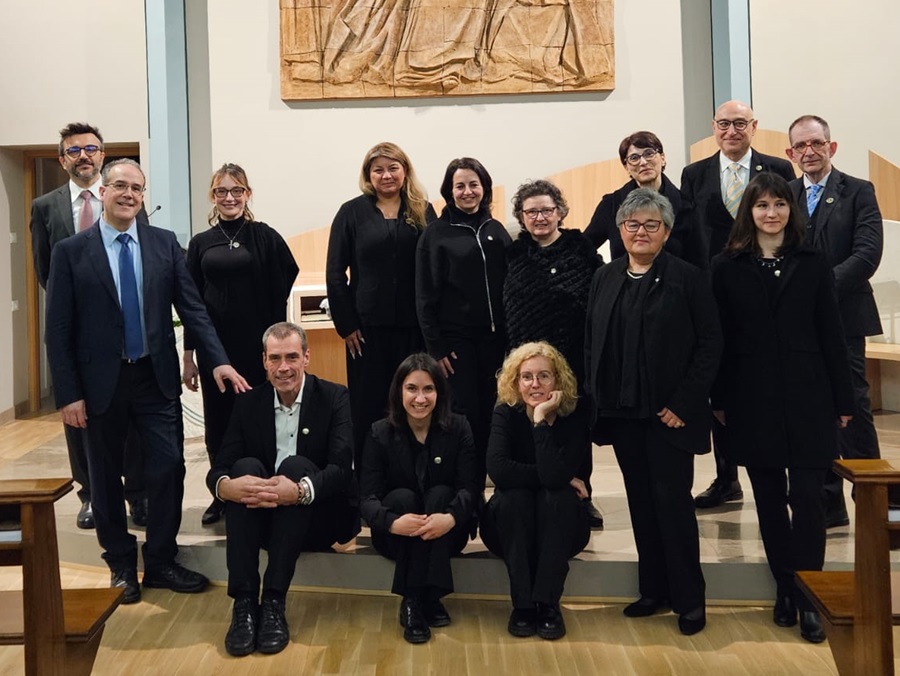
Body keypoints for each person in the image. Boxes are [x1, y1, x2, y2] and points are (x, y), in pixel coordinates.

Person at [45, 159, 249, 605]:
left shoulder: (163, 244)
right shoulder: (71, 252)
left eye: (137, 188)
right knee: (103, 476)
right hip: (100, 384)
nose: (129, 194)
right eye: (120, 185)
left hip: (155, 380)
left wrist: (218, 361)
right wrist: (68, 395)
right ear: (103, 191)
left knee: (168, 468)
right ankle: (120, 563)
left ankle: (160, 560)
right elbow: (57, 331)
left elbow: (193, 308)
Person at [710, 172, 854, 643]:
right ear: (747, 213)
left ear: (791, 212)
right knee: (769, 501)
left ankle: (810, 596)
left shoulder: (813, 261)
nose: (771, 213)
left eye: (779, 205)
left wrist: (843, 398)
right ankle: (785, 590)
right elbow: (720, 342)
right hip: (752, 400)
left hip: (809, 395)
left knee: (810, 501)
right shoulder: (726, 266)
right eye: (761, 206)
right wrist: (719, 399)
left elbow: (832, 333)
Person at [584, 188, 721, 636]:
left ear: (666, 231)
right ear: (619, 231)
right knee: (641, 505)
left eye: (651, 225)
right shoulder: (604, 278)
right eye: (631, 225)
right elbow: (592, 343)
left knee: (673, 507)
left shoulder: (688, 277)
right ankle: (653, 590)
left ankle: (689, 600)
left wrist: (683, 403)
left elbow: (710, 346)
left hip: (669, 415)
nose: (640, 232)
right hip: (623, 415)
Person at [208, 322, 359, 656]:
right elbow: (220, 467)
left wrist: (300, 491)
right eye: (275, 358)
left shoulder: (334, 397)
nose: (284, 367)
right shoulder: (248, 403)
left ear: (307, 357)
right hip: (264, 519)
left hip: (318, 518)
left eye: (292, 356)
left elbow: (341, 470)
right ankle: (246, 604)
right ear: (264, 361)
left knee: (295, 466)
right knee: (243, 470)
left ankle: (274, 601)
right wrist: (225, 488)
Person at [30, 122, 147, 529]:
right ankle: (91, 494)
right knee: (79, 414)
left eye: (91, 149)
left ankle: (137, 493)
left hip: (127, 330)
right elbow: (46, 271)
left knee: (132, 415)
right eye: (74, 150)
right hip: (79, 334)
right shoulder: (45, 207)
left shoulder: (124, 195)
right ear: (63, 159)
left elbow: (141, 254)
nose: (84, 156)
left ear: (102, 155)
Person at [680, 100, 796, 510]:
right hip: (714, 293)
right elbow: (690, 237)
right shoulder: (694, 174)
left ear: (754, 126)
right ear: (713, 127)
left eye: (740, 124)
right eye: (724, 124)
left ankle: (778, 468)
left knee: (769, 382)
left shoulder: (777, 170)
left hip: (768, 292)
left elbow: (788, 222)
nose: (732, 130)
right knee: (721, 384)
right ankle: (726, 477)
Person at [184, 163, 298, 526]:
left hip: (257, 347)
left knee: (260, 416)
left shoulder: (263, 236)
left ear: (248, 194)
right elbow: (191, 301)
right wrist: (189, 356)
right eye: (221, 191)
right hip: (214, 348)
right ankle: (222, 492)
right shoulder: (201, 242)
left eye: (237, 191)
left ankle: (265, 487)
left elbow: (287, 272)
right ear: (213, 197)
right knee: (219, 419)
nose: (229, 198)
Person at [786, 115, 884, 529]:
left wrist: (819, 291)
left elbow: (867, 253)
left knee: (853, 408)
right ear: (790, 154)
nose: (809, 152)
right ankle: (827, 506)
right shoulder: (783, 194)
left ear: (832, 146)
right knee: (809, 410)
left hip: (843, 316)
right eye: (801, 147)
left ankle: (875, 505)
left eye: (816, 144)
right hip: (796, 324)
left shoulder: (859, 191)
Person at [326, 142, 435, 469]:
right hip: (365, 332)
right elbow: (335, 273)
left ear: (405, 171)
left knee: (413, 404)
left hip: (415, 329)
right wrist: (346, 326)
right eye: (378, 169)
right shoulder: (351, 212)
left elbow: (434, 267)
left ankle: (413, 476)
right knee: (368, 406)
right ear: (368, 175)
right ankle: (368, 484)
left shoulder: (423, 210)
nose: (386, 175)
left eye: (393, 168)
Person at [503, 179, 603, 528]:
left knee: (575, 429)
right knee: (533, 429)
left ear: (560, 211)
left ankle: (582, 495)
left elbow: (594, 305)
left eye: (547, 210)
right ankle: (541, 488)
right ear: (521, 217)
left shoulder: (581, 251)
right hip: (527, 363)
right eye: (531, 212)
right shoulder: (514, 255)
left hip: (573, 359)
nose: (540, 217)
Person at [360, 353, 478, 644]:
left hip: (447, 533)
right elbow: (367, 498)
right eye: (412, 388)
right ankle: (423, 598)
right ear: (399, 391)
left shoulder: (459, 428)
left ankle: (415, 600)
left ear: (440, 392)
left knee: (439, 494)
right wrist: (392, 522)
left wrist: (449, 518)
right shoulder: (379, 432)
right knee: (401, 498)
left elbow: (470, 489)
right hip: (396, 536)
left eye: (429, 389)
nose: (420, 398)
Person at [482, 342, 591, 640]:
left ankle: (548, 604)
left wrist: (541, 419)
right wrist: (553, 477)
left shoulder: (574, 415)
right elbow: (499, 470)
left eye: (544, 376)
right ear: (515, 382)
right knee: (514, 498)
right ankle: (523, 606)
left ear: (558, 380)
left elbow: (555, 479)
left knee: (558, 497)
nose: (535, 384)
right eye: (526, 376)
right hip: (510, 528)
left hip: (561, 528)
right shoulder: (506, 412)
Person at [416, 157, 511, 486]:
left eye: (474, 184)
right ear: (449, 191)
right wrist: (436, 347)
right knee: (463, 414)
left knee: (493, 413)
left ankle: (492, 480)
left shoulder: (496, 231)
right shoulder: (436, 235)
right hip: (455, 345)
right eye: (460, 186)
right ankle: (463, 486)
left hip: (496, 343)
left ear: (484, 188)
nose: (468, 191)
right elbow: (425, 296)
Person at [584, 131, 692, 260]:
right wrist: (605, 274)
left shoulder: (687, 205)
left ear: (662, 158)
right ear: (626, 167)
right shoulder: (611, 205)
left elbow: (698, 260)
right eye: (634, 158)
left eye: (649, 153)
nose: (643, 162)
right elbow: (583, 248)